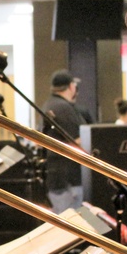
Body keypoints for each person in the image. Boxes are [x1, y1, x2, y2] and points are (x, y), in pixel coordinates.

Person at [42, 69, 86, 213]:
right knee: (78, 223)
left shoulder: (50, 104)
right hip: (69, 181)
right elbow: (78, 140)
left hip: (57, 179)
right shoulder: (64, 108)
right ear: (71, 86)